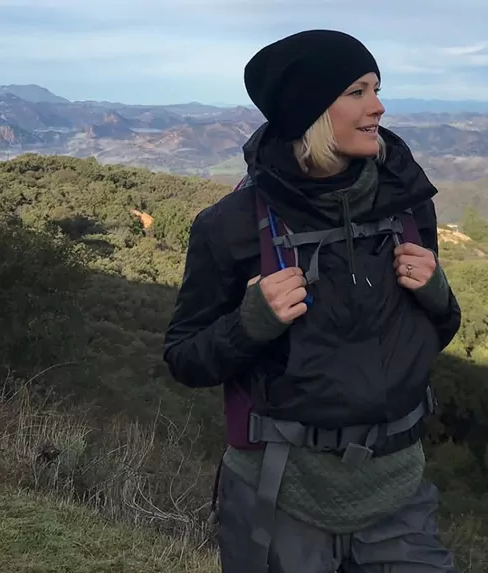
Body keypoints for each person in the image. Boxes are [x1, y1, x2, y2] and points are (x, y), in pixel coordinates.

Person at [163, 29, 462, 573]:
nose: (378, 106)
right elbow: (184, 357)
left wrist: (439, 296)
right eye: (357, 92)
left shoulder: (406, 203)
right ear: (310, 112)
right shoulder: (230, 225)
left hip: (397, 490)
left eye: (376, 88)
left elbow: (431, 334)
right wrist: (250, 324)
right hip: (278, 495)